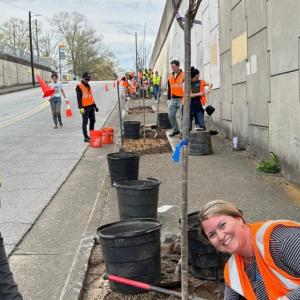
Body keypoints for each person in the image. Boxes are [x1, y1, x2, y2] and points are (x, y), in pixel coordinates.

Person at [199, 200, 300, 300]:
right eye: (212, 235)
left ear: (239, 219)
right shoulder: (233, 271)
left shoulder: (282, 240)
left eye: (222, 225)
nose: (220, 236)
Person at [76, 72, 99, 142]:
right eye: (86, 79)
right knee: (85, 122)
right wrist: (81, 107)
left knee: (93, 121)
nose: (87, 80)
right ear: (83, 78)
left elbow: (90, 97)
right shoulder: (79, 86)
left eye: (88, 79)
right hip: (84, 108)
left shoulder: (88, 85)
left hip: (91, 106)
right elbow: (79, 98)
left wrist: (95, 106)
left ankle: (91, 135)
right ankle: (86, 137)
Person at [190, 67, 213, 131]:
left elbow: (210, 84)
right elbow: (188, 95)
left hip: (199, 106)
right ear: (191, 77)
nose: (198, 79)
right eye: (196, 77)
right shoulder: (188, 84)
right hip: (189, 106)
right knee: (188, 127)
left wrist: (209, 89)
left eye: (198, 77)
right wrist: (199, 94)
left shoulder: (200, 82)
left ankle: (203, 138)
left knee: (202, 126)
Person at [167, 60, 184, 137]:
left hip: (182, 99)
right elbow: (169, 88)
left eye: (174, 67)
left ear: (178, 66)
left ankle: (183, 132)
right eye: (172, 67)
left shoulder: (184, 75)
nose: (173, 69)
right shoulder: (170, 76)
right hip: (173, 99)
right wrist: (168, 98)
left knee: (183, 116)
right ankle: (176, 129)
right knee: (171, 115)